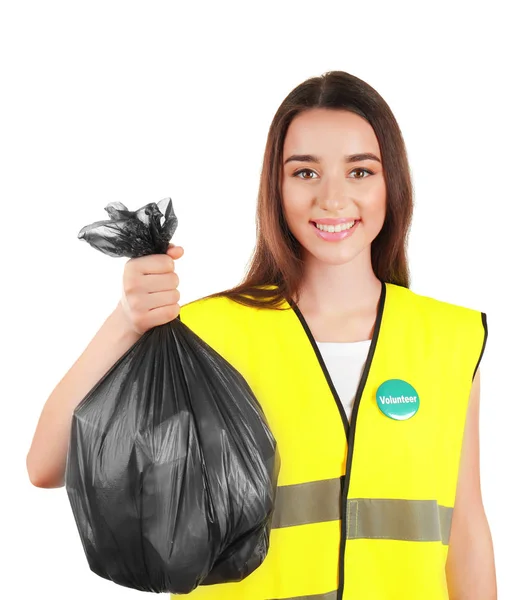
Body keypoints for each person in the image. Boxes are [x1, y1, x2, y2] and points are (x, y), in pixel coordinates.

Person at [26, 70, 497, 599]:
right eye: (305, 173)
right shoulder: (207, 334)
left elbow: (465, 527)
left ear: (394, 184)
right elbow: (47, 464)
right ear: (276, 186)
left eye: (361, 172)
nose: (333, 199)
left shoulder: (451, 338)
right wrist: (127, 322)